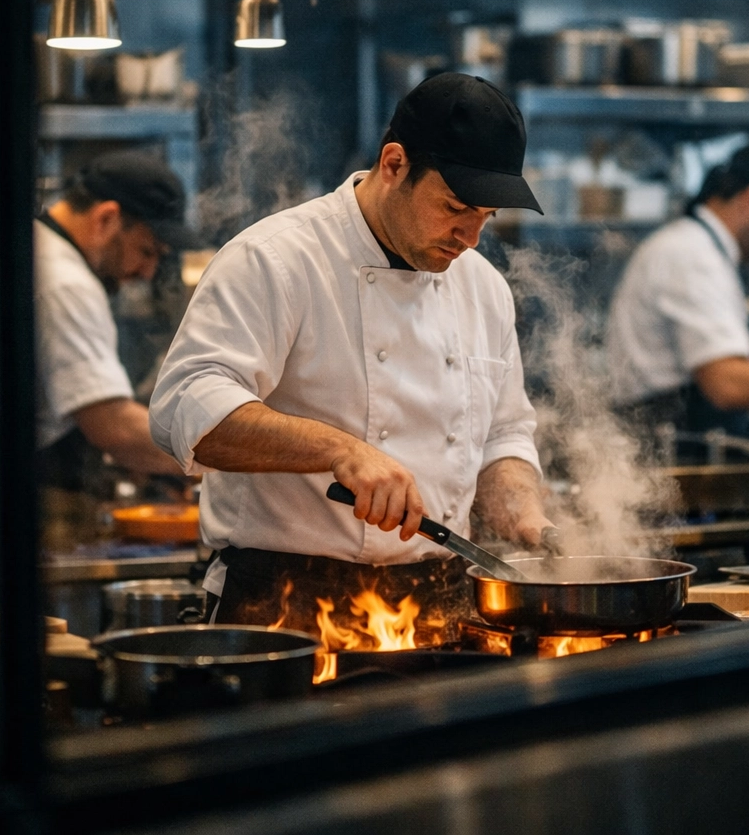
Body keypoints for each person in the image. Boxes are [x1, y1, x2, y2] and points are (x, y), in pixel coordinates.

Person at [148, 73, 553, 635]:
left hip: (437, 607)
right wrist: (340, 451)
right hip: (286, 609)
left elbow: (503, 435)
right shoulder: (276, 259)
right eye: (455, 207)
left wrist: (525, 515)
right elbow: (186, 411)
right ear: (394, 165)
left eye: (485, 217)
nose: (470, 237)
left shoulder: (482, 287)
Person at [0, 152, 186, 565]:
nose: (148, 272)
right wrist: (220, 461)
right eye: (147, 251)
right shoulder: (62, 281)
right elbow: (115, 427)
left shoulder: (26, 253)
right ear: (106, 219)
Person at [605, 137, 749, 460]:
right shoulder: (691, 255)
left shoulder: (700, 249)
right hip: (669, 463)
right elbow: (726, 384)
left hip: (682, 453)